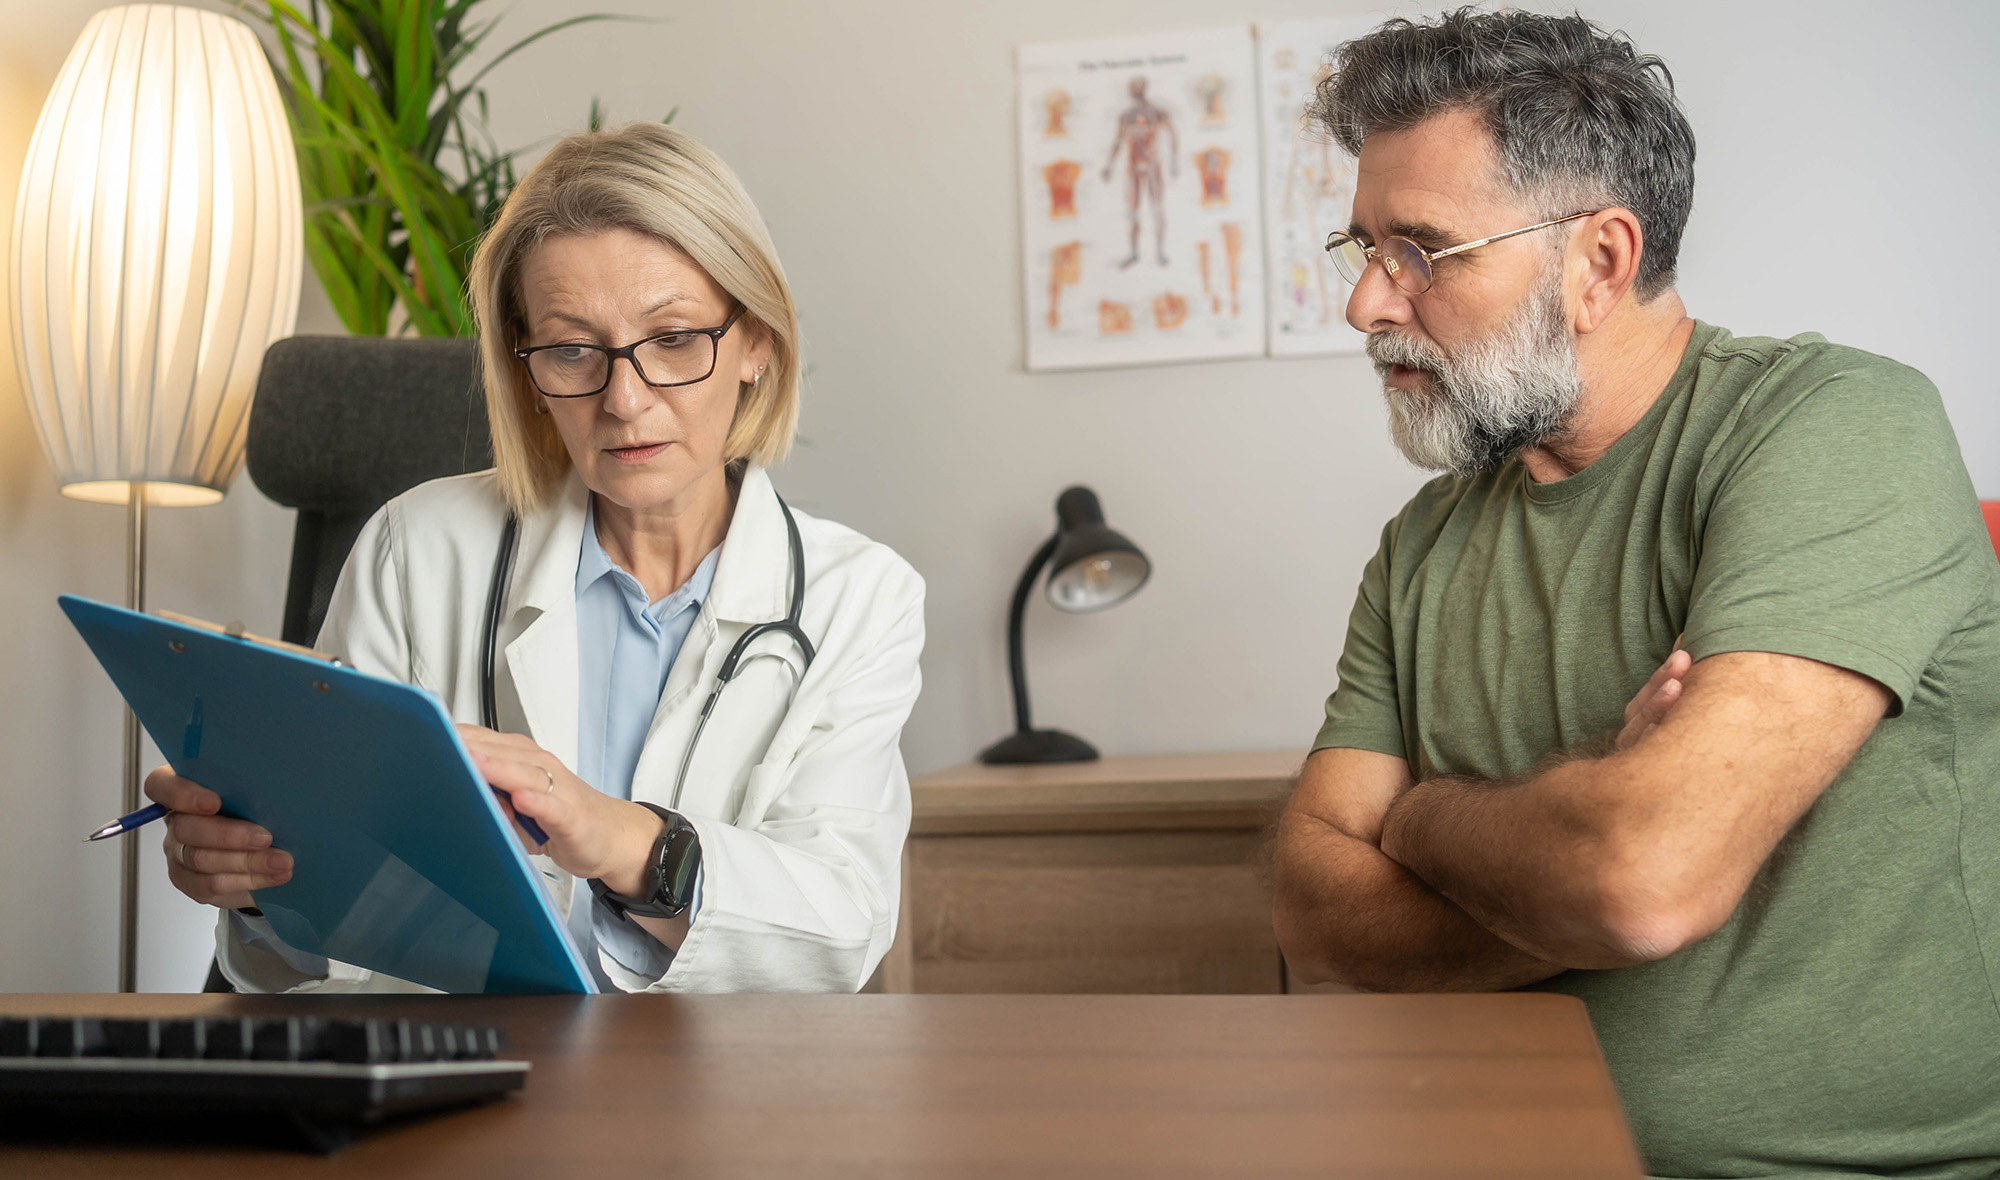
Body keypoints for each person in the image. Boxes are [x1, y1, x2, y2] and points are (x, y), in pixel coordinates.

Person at [1268, 9, 1999, 1177]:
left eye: (1420, 250)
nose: (1365, 305)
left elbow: (1638, 882)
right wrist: (1575, 840)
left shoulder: (1834, 423)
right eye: (1360, 250)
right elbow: (1312, 910)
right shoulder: (1421, 545)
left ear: (1597, 262)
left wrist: (1414, 822)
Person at [145, 122, 926, 995]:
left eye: (672, 340)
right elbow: (308, 958)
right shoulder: (418, 548)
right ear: (526, 370)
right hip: (457, 1085)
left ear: (756, 344)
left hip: (711, 1095)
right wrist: (260, 889)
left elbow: (843, 928)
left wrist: (618, 837)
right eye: (571, 350)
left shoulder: (861, 598)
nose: (625, 400)